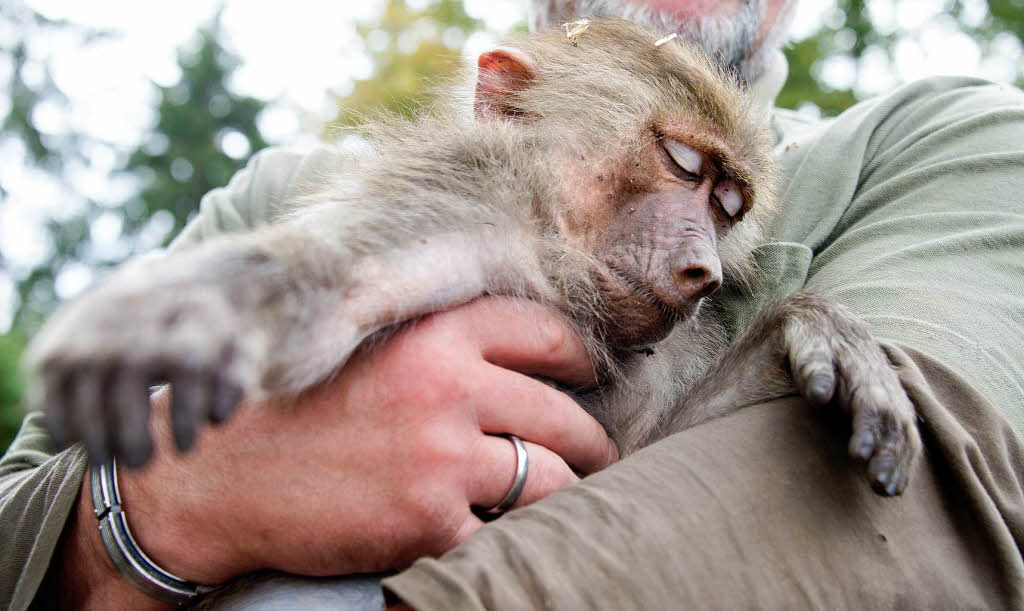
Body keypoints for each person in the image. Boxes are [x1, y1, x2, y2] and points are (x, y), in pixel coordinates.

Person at [3, 0, 1024, 608]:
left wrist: (796, 322)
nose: (705, 260)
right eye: (675, 165)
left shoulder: (942, 146)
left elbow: (915, 505)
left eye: (726, 206)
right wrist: (164, 501)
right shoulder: (284, 196)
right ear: (508, 99)